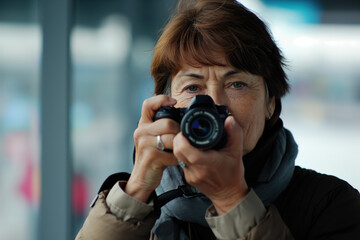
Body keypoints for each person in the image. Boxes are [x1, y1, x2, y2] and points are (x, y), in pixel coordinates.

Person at [76, 0, 360, 239]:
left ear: (270, 103)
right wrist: (136, 191)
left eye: (236, 84)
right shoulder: (144, 201)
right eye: (193, 88)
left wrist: (231, 198)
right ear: (165, 105)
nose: (214, 104)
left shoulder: (330, 204)